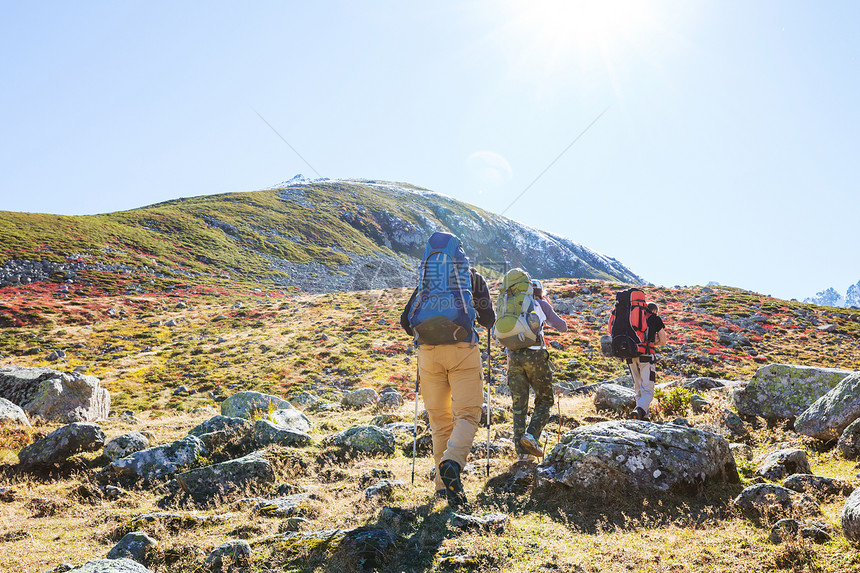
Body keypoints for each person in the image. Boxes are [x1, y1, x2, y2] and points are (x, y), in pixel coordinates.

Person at [400, 232, 495, 509]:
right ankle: (452, 462)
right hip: (462, 351)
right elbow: (489, 320)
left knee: (439, 420)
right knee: (467, 413)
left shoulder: (425, 281)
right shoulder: (473, 278)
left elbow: (406, 321)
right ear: (460, 255)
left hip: (428, 355)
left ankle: (442, 489)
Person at [509, 279, 568, 463]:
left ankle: (523, 455)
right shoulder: (541, 304)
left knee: (519, 405)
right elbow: (562, 326)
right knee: (545, 400)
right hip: (535, 356)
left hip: (514, 357)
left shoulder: (513, 305)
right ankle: (531, 435)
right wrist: (546, 309)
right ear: (540, 291)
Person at [628, 302, 667, 421]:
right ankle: (639, 410)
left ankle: (643, 417)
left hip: (631, 355)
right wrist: (650, 342)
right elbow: (663, 341)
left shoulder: (631, 318)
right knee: (648, 390)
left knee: (638, 388)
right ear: (655, 311)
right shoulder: (655, 319)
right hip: (646, 356)